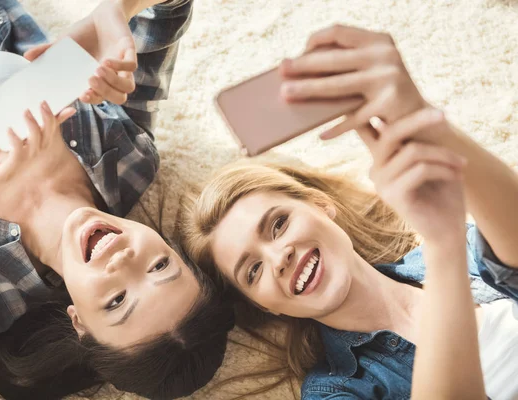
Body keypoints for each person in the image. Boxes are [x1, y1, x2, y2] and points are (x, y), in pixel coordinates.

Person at [178, 25, 518, 400]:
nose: (279, 257)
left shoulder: (465, 253)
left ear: (323, 205)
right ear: (264, 306)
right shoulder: (335, 391)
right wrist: (443, 246)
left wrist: (419, 118)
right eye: (253, 270)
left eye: (278, 224)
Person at [0, 0, 234, 399]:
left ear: (79, 323)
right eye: (159, 265)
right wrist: (118, 10)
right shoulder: (128, 156)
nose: (123, 261)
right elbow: (168, 10)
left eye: (117, 301)